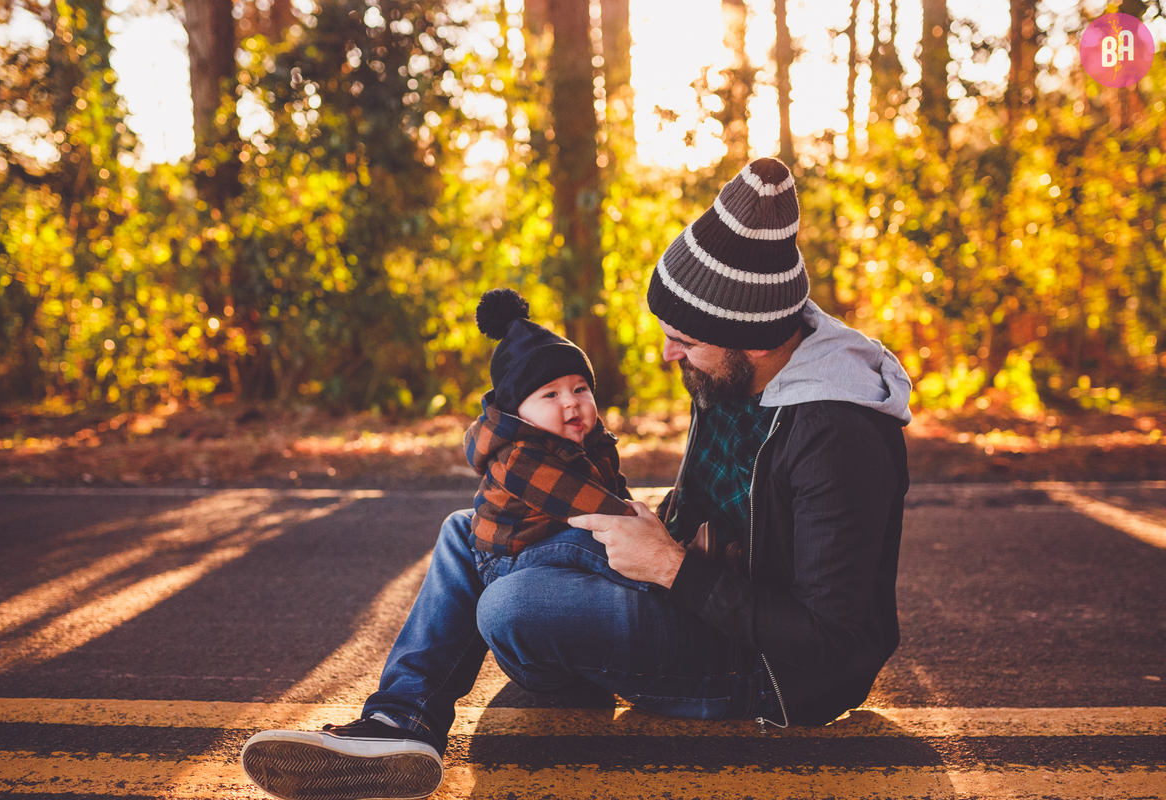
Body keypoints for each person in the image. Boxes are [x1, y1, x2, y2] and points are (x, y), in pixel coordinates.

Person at [240, 156, 912, 800]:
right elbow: (727, 506)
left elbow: (827, 643)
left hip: (768, 672)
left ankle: (545, 645)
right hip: (703, 590)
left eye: (685, 339)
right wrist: (658, 543)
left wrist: (673, 568)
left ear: (756, 339)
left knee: (510, 605)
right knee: (470, 530)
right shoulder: (735, 370)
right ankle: (398, 726)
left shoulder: (836, 438)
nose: (667, 352)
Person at [463, 287, 638, 577]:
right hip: (506, 558)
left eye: (580, 389)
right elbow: (591, 504)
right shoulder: (518, 456)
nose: (571, 401)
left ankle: (674, 557)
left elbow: (617, 492)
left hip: (548, 537)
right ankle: (660, 586)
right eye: (550, 395)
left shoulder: (591, 439)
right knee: (588, 542)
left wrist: (646, 519)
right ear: (518, 413)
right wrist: (643, 526)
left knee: (604, 537)